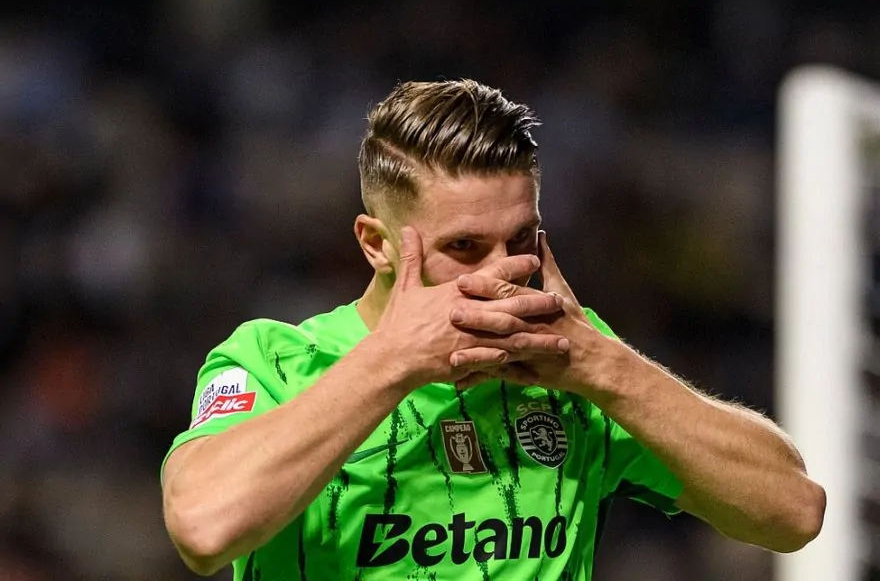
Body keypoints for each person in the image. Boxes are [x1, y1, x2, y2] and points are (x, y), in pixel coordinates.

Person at [161, 79, 826, 580]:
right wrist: (393, 361)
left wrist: (603, 367)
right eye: (465, 247)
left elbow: (794, 511)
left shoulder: (571, 363)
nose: (503, 271)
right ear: (377, 244)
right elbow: (203, 526)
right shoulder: (276, 360)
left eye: (521, 239)